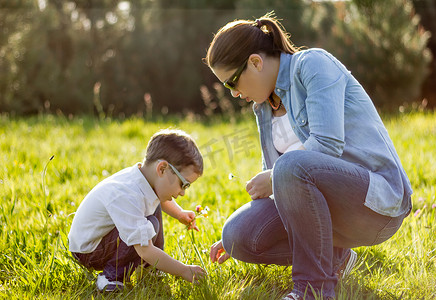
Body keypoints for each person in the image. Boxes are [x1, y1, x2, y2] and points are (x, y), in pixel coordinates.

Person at [206, 13, 412, 300]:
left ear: (255, 62)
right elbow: (285, 189)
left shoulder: (313, 64)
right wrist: (243, 233)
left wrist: (274, 175)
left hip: (376, 205)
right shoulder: (264, 108)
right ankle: (337, 259)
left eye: (232, 83)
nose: (235, 94)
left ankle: (312, 290)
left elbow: (326, 144)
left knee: (288, 167)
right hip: (324, 208)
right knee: (238, 236)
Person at [68, 129, 206, 292]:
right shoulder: (127, 194)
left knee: (151, 217)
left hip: (102, 239)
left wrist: (179, 213)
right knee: (143, 230)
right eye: (184, 184)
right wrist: (183, 270)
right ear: (162, 169)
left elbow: (159, 200)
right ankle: (111, 277)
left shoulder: (145, 180)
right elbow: (144, 248)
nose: (183, 192)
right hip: (89, 250)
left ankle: (151, 268)